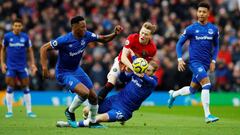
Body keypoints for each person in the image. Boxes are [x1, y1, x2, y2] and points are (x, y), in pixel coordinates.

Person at [40, 16, 122, 128]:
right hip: (64, 73)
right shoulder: (64, 40)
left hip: (76, 70)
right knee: (84, 93)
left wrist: (114, 33)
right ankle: (70, 111)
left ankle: (92, 122)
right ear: (74, 27)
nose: (85, 28)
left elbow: (103, 39)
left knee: (93, 97)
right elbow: (43, 48)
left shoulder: (87, 35)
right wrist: (44, 67)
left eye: (85, 26)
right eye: (82, 26)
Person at [56, 60, 159, 128]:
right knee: (86, 110)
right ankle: (89, 123)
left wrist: (139, 74)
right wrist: (123, 71)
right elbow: (123, 79)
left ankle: (69, 124)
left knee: (97, 118)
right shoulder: (138, 74)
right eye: (145, 69)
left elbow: (147, 79)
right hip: (114, 100)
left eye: (148, 70)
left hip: (124, 110)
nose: (145, 72)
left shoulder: (153, 81)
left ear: (154, 72)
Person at [167, 2, 220, 123]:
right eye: (199, 11)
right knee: (206, 84)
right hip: (195, 63)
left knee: (192, 90)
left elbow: (216, 46)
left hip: (206, 63)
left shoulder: (214, 29)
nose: (201, 14)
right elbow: (179, 44)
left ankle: (173, 94)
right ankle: (208, 115)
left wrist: (213, 61)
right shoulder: (191, 29)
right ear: (197, 13)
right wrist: (180, 59)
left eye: (204, 12)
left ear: (208, 13)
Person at [98, 22, 158, 104]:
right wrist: (133, 68)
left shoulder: (152, 49)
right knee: (110, 83)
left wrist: (138, 71)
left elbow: (144, 63)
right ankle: (94, 104)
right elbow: (123, 57)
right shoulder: (132, 38)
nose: (143, 35)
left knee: (130, 89)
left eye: (146, 34)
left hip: (133, 69)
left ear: (150, 36)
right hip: (121, 63)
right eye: (142, 32)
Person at [1, 18, 38, 118]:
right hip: (11, 66)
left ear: (21, 27)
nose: (17, 27)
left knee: (26, 87)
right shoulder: (7, 36)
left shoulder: (25, 37)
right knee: (10, 86)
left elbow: (30, 50)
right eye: (15, 25)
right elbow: (3, 50)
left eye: (19, 26)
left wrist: (33, 64)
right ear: (13, 26)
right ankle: (9, 111)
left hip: (22, 67)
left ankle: (29, 112)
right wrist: (2, 63)